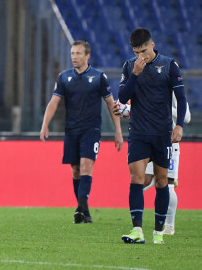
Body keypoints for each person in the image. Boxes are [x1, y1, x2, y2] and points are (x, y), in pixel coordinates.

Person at [40, 40, 123, 224]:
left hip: (91, 129)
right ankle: (85, 211)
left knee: (86, 165)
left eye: (78, 53)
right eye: (72, 53)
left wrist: (118, 131)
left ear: (87, 56)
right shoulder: (64, 77)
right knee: (76, 170)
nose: (74, 57)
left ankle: (80, 208)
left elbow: (111, 104)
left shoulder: (98, 77)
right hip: (71, 130)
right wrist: (45, 124)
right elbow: (54, 102)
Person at [117, 28, 187, 245]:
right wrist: (136, 74)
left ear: (152, 44)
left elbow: (181, 98)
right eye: (137, 52)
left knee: (162, 181)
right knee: (136, 178)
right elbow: (122, 97)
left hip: (162, 133)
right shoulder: (130, 67)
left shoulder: (168, 65)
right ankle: (137, 230)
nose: (141, 57)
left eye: (144, 51)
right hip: (138, 132)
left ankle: (158, 232)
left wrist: (179, 126)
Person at [140, 93, 190, 235]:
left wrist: (166, 108)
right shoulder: (150, 86)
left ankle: (169, 226)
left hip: (169, 143)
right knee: (144, 181)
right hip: (150, 140)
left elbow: (187, 117)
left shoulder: (175, 91)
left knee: (168, 184)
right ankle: (137, 219)